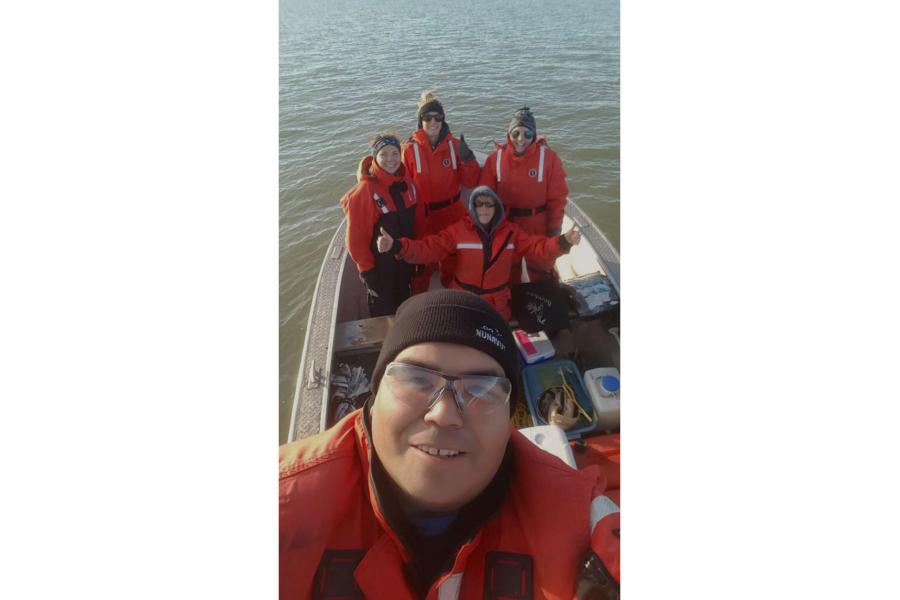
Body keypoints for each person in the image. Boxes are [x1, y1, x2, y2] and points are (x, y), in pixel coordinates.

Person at [280, 290, 620, 599]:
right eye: (415, 379)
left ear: (508, 420)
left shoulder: (582, 524)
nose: (443, 414)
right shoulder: (284, 505)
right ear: (374, 395)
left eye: (483, 388)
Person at [375, 185, 581, 320]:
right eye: (478, 204)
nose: (484, 209)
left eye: (489, 204)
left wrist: (563, 242)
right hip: (464, 299)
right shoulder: (457, 231)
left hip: (498, 303)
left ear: (496, 207)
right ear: (472, 208)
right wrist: (397, 246)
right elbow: (428, 249)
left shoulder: (512, 232)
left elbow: (538, 248)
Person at [479, 107, 569, 284]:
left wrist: (554, 230)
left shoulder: (549, 159)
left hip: (538, 226)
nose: (521, 139)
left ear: (534, 135)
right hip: (506, 226)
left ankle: (543, 301)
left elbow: (557, 200)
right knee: (508, 272)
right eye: (516, 133)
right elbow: (483, 198)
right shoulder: (494, 159)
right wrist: (488, 229)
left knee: (542, 271)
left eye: (528, 134)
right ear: (509, 134)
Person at [402, 90, 481, 292]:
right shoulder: (409, 150)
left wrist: (468, 159)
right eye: (428, 118)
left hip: (452, 213)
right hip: (423, 216)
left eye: (438, 117)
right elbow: (401, 185)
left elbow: (471, 180)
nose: (433, 122)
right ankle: (419, 303)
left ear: (443, 120)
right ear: (420, 121)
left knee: (452, 259)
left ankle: (452, 297)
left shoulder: (455, 146)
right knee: (422, 264)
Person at [340, 133, 423, 317]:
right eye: (383, 154)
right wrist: (368, 274)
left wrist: (418, 258)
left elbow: (416, 224)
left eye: (394, 153)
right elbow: (356, 240)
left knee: (405, 308)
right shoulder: (365, 192)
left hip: (404, 263)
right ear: (375, 157)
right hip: (380, 271)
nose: (390, 159)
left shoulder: (408, 185)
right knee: (384, 316)